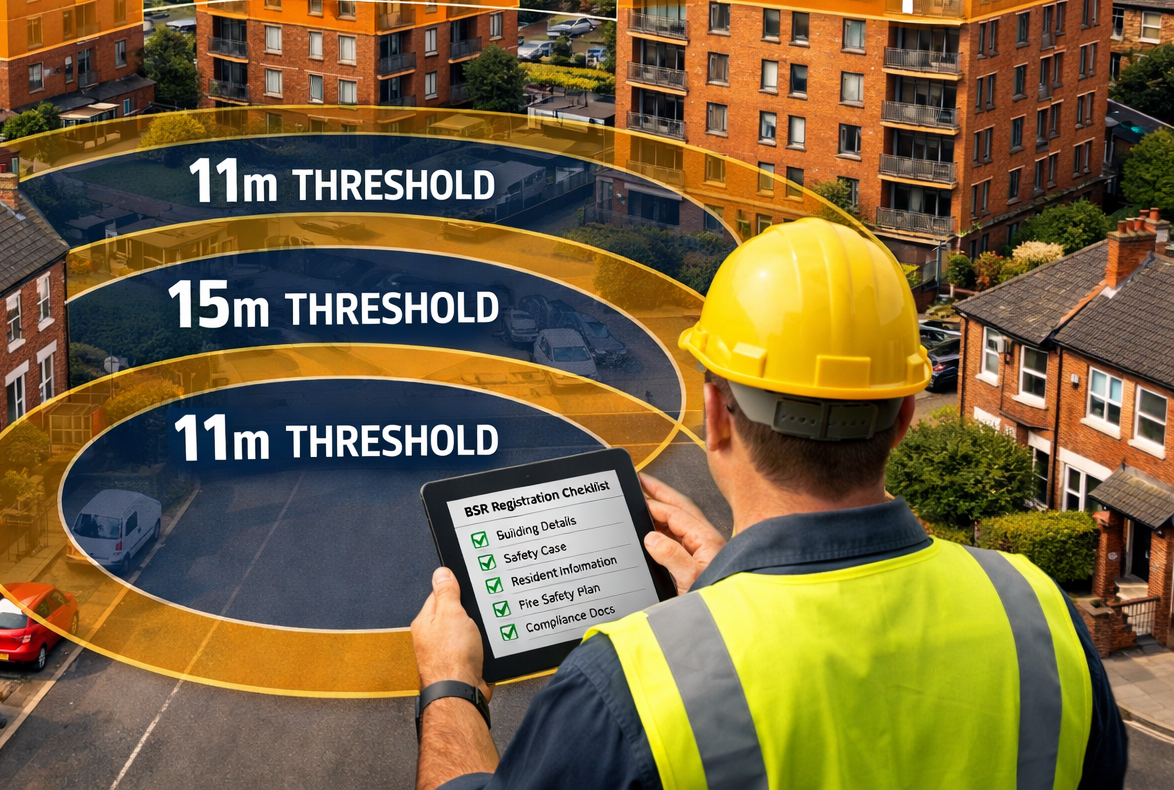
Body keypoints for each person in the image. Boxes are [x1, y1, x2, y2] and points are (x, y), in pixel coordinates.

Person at [410, 217, 1126, 790]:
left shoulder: (627, 686)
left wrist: (451, 688)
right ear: (906, 417)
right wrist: (726, 598)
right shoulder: (1039, 615)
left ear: (715, 415)